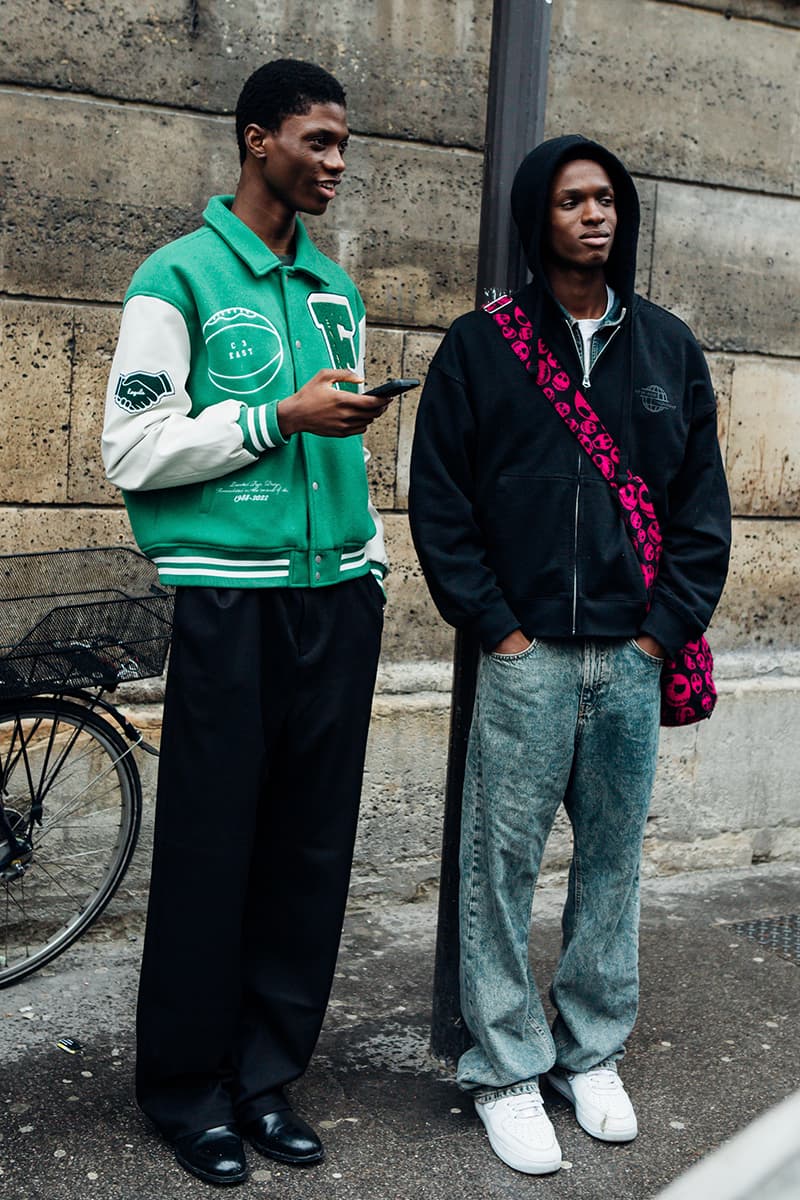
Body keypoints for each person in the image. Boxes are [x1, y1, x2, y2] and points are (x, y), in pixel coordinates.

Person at [409, 135, 730, 1175]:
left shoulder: (668, 350)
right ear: (534, 219)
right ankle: (505, 1068)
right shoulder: (480, 347)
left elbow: (700, 514)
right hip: (525, 655)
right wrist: (495, 626)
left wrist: (656, 634)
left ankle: (587, 1052)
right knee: (498, 871)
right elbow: (442, 506)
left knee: (609, 867)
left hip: (628, 659)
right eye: (569, 201)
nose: (592, 216)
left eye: (604, 200)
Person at [102, 58, 392, 1187]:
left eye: (342, 147)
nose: (333, 164)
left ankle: (264, 1079)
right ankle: (186, 1092)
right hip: (231, 603)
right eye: (316, 141)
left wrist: (365, 553)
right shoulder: (172, 278)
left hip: (337, 597)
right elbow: (133, 450)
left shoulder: (335, 291)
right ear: (255, 138)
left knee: (307, 855)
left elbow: (335, 436)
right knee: (211, 852)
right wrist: (278, 416)